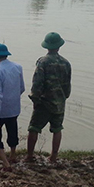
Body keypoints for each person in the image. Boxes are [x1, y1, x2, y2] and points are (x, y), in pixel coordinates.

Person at [26, 32, 71, 163]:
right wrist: (63, 98)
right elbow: (67, 84)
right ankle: (53, 156)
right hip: (59, 102)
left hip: (44, 102)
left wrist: (35, 99)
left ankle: (29, 155)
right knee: (57, 129)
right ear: (59, 46)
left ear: (47, 46)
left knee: (34, 128)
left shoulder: (43, 62)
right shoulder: (66, 63)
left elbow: (37, 82)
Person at [0, 43, 25, 169]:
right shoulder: (18, 67)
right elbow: (22, 88)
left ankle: (5, 162)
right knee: (12, 130)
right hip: (14, 108)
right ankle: (13, 155)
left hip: (1, 110)